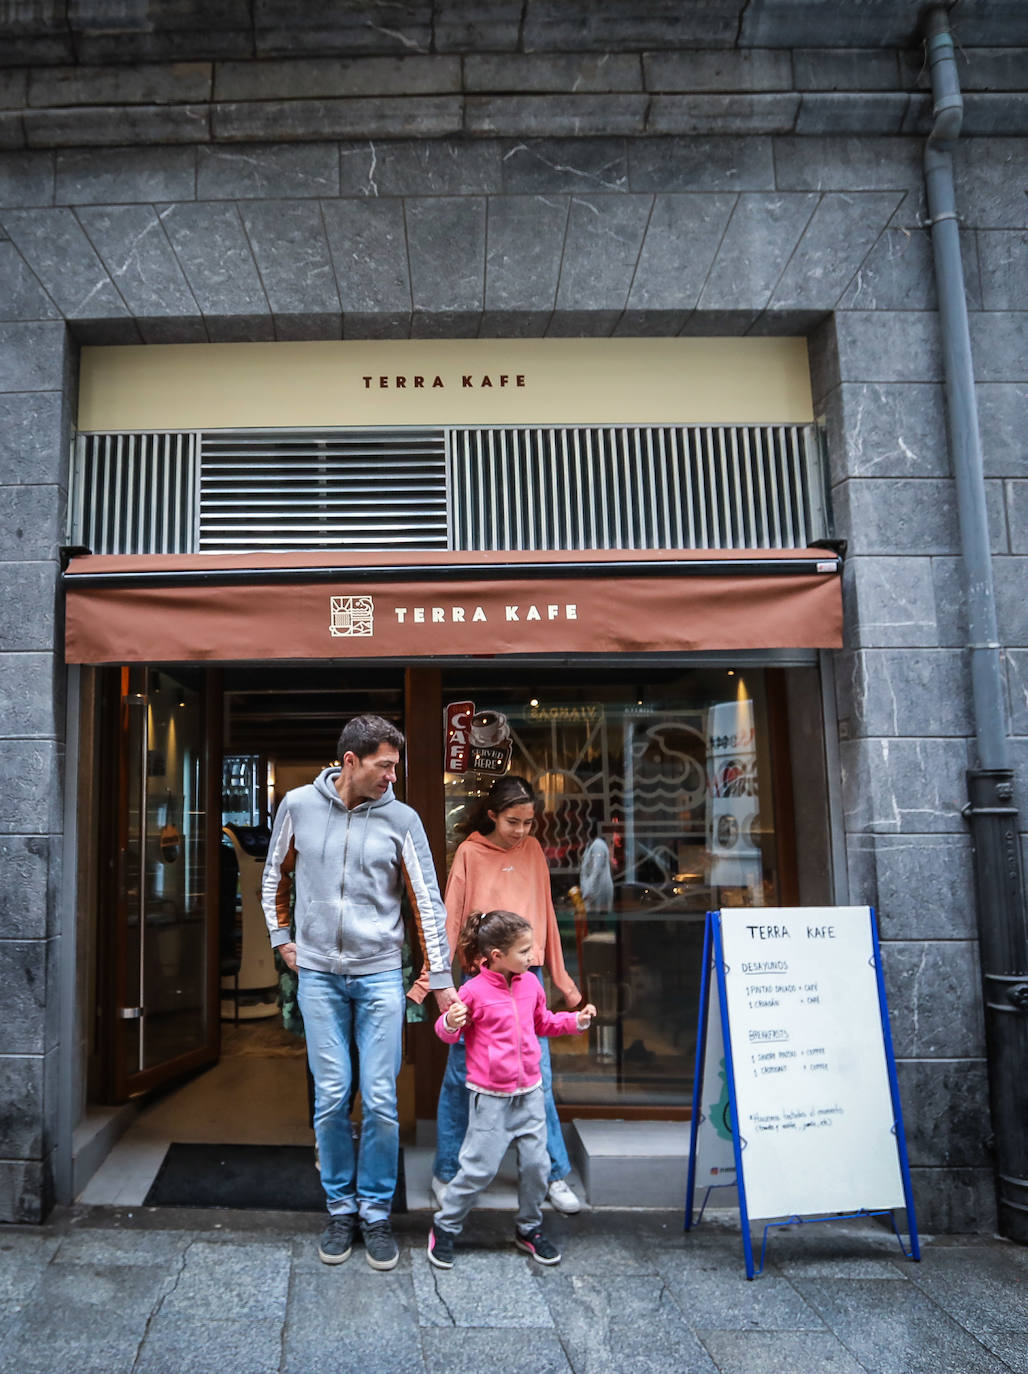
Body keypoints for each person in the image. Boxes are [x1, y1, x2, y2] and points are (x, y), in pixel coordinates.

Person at [262, 713, 455, 1270]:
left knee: (379, 1099)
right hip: (318, 976)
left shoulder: (404, 819)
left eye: (396, 767)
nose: (393, 777)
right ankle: (339, 1206)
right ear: (351, 762)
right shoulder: (297, 806)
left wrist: (437, 982)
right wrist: (282, 941)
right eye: (385, 766)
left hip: (378, 976)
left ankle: (375, 1212)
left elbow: (427, 902)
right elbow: (273, 875)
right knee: (330, 1097)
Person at [411, 774, 585, 1214]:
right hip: (479, 983)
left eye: (529, 822)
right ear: (492, 814)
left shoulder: (533, 852)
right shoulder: (470, 853)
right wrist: (431, 982)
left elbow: (547, 915)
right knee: (458, 1082)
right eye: (513, 821)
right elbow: (449, 921)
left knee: (537, 1081)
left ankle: (551, 1174)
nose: (523, 831)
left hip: (528, 981)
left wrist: (562, 982)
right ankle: (446, 1173)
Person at [426, 909, 595, 1269]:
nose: (532, 957)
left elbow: (543, 1023)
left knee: (537, 1166)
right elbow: (447, 1034)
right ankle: (445, 1226)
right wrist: (449, 1021)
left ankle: (529, 1228)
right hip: (490, 1099)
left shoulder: (531, 984)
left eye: (532, 949)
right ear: (497, 955)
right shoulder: (472, 991)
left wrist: (574, 1022)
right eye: (524, 951)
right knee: (477, 1170)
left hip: (530, 1094)